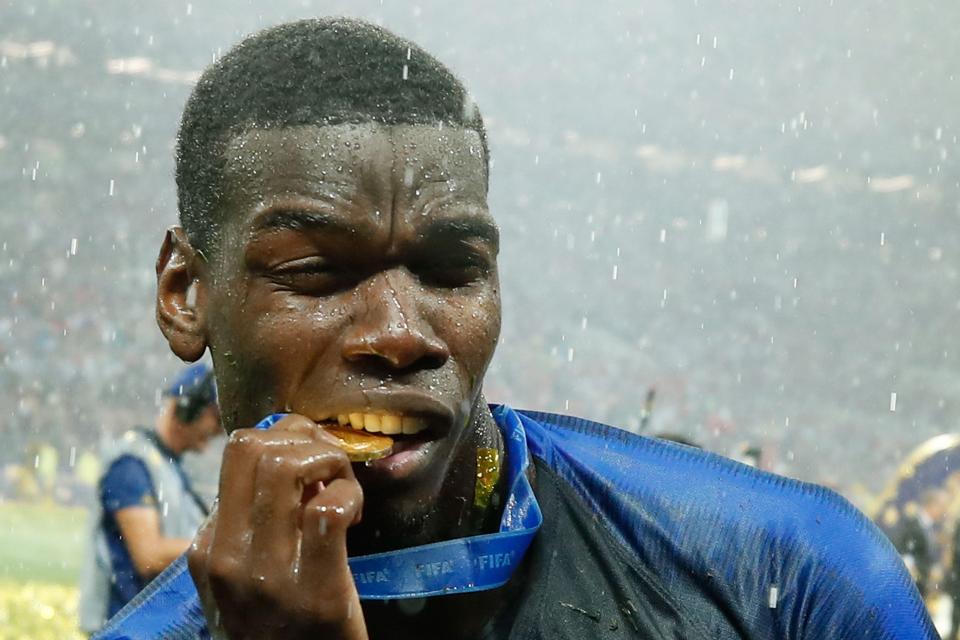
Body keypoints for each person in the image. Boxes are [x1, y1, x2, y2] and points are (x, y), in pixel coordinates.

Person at [95, 18, 936, 639]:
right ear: (185, 294)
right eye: (317, 271)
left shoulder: (788, 577)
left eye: (452, 270)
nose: (397, 333)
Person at [79, 363, 221, 633]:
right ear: (188, 407)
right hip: (125, 628)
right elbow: (149, 554)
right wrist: (224, 544)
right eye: (214, 418)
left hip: (149, 627)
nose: (217, 431)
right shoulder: (132, 464)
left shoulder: (168, 468)